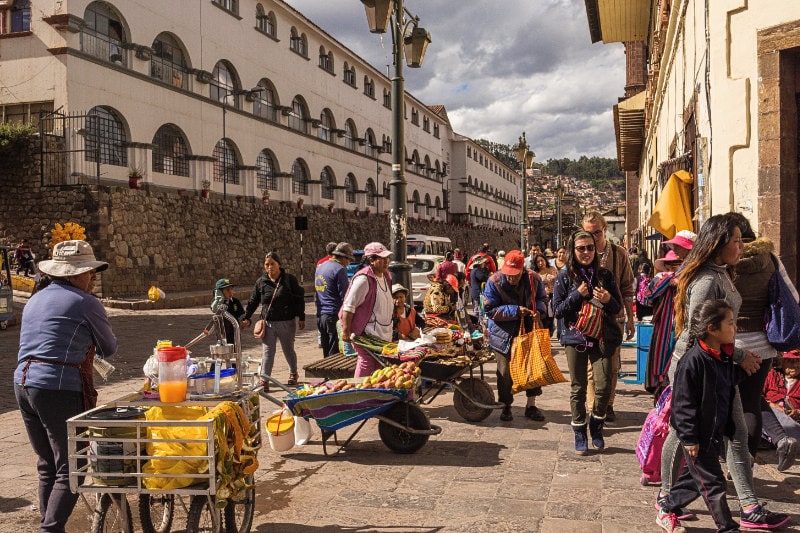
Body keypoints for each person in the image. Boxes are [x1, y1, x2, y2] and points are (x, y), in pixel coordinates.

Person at [656, 213, 789, 531]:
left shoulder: (723, 273)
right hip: (696, 372)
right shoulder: (706, 280)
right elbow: (696, 333)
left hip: (718, 368)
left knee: (738, 434)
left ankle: (749, 506)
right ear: (718, 244)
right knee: (681, 434)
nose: (742, 246)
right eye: (736, 241)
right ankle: (665, 499)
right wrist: (741, 355)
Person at [14, 240, 117, 533]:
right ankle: (49, 530)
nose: (93, 277)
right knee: (73, 466)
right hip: (57, 385)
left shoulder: (36, 297)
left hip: (23, 383)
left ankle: (49, 526)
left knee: (48, 463)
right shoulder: (86, 302)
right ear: (72, 274)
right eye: (89, 272)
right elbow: (109, 348)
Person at [656, 300, 743, 533]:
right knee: (713, 484)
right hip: (697, 437)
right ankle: (728, 528)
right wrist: (689, 437)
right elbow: (683, 404)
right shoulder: (692, 361)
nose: (734, 328)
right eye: (731, 323)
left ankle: (667, 508)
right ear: (712, 329)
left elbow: (723, 387)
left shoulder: (722, 356)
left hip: (713, 432)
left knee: (695, 480)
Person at [730, 213, 797, 470]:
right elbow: (791, 294)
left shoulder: (727, 261)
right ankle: (775, 442)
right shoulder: (770, 259)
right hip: (764, 343)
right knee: (752, 400)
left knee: (734, 400)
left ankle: (740, 461)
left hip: (732, 341)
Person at [552, 230, 621, 454]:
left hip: (601, 337)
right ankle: (580, 431)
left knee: (603, 385)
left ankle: (597, 425)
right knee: (578, 388)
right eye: (581, 248)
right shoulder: (565, 277)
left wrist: (608, 299)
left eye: (590, 247)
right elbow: (557, 310)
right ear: (573, 250)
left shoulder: (605, 276)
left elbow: (617, 307)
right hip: (575, 337)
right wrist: (577, 295)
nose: (586, 252)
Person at [483, 249, 547, 422]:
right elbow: (489, 310)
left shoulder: (534, 278)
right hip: (503, 332)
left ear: (522, 271)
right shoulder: (494, 281)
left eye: (515, 275)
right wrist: (515, 311)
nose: (511, 278)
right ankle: (506, 405)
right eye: (508, 274)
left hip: (528, 329)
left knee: (532, 368)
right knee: (504, 372)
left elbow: (542, 299)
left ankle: (531, 405)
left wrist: (539, 311)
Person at [583, 211, 634, 422]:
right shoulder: (582, 253)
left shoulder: (618, 253)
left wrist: (631, 318)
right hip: (587, 317)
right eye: (587, 233)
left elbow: (627, 287)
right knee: (591, 367)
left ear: (604, 230)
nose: (592, 237)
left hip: (614, 316)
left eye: (596, 232)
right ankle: (594, 406)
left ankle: (608, 404)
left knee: (612, 366)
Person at [241, 251, 306, 387]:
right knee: (268, 351)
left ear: (279, 265)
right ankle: (264, 379)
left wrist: (301, 316)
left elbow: (299, 298)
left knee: (288, 349)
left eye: (272, 264)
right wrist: (246, 317)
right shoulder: (261, 282)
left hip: (286, 322)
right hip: (268, 323)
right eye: (266, 264)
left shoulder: (289, 280)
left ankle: (293, 373)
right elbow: (253, 301)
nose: (269, 267)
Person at [340, 242, 393, 377]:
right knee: (367, 361)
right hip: (365, 332)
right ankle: (359, 393)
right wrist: (346, 331)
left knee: (379, 364)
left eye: (387, 258)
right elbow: (348, 306)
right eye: (382, 259)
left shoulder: (386, 276)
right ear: (371, 260)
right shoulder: (363, 279)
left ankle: (375, 395)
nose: (386, 262)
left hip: (382, 333)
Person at [640, 250, 686, 395]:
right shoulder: (661, 278)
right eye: (670, 264)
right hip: (664, 326)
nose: (674, 266)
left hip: (682, 327)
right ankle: (661, 389)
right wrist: (667, 281)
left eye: (677, 263)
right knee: (660, 359)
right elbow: (647, 298)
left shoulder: (689, 278)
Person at [762, 350, 800, 471]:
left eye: (798, 361)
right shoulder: (771, 375)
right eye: (790, 361)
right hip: (771, 416)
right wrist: (772, 405)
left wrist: (798, 412)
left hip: (794, 422)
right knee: (767, 413)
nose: (795, 365)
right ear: (782, 362)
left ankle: (783, 442)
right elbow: (757, 397)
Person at [314, 242, 353, 357]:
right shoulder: (340, 269)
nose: (348, 263)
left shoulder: (321, 267)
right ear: (343, 257)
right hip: (333, 315)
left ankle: (326, 375)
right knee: (334, 352)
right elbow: (345, 296)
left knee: (326, 350)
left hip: (321, 315)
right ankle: (330, 376)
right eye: (349, 260)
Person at [210, 278, 245, 345]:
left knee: (235, 350)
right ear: (219, 292)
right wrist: (219, 299)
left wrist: (243, 321)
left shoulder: (235, 301)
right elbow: (214, 309)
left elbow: (242, 314)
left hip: (234, 332)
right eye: (227, 290)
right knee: (224, 350)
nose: (230, 292)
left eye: (231, 289)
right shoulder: (216, 302)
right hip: (222, 333)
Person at [532, 253, 558, 336]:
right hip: (542, 299)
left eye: (542, 260)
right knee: (544, 319)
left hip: (553, 297)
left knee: (551, 319)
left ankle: (549, 334)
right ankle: (545, 339)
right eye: (538, 262)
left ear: (545, 261)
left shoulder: (552, 269)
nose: (540, 263)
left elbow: (558, 281)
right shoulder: (535, 273)